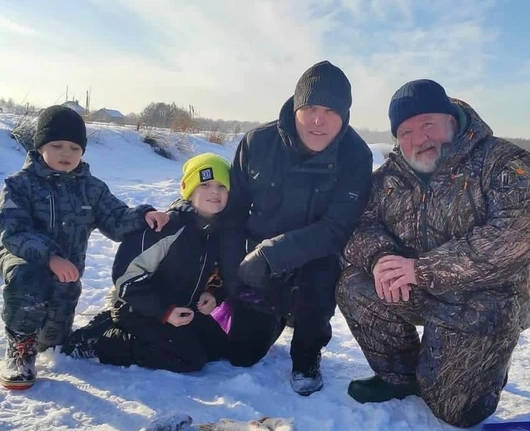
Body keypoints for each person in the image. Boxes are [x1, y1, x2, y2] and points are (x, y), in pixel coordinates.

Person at [336, 79, 530, 427]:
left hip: (483, 301)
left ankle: (478, 371)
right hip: (418, 290)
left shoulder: (504, 163)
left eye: (427, 124)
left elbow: (518, 238)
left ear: (451, 118)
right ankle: (399, 377)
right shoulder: (389, 176)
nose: (418, 139)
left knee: (457, 412)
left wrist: (420, 269)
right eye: (405, 132)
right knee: (354, 285)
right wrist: (381, 259)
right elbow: (360, 225)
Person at [221, 60, 373, 396]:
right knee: (241, 354)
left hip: (315, 256)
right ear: (296, 107)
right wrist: (235, 277)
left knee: (323, 271)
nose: (319, 120)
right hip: (258, 262)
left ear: (345, 116)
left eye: (331, 111)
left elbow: (337, 228)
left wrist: (272, 254)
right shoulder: (256, 143)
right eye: (311, 107)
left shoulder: (357, 155)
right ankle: (274, 312)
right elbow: (231, 216)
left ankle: (307, 351)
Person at [0, 105, 168, 390]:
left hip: (67, 278)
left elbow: (115, 218)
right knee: (27, 275)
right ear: (40, 146)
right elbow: (13, 232)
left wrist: (144, 215)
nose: (66, 154)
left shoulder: (92, 188)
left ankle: (49, 338)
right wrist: (51, 257)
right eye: (57, 146)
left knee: (53, 345)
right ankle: (20, 347)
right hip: (26, 262)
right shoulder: (19, 185)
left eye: (74, 148)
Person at [61, 153, 231, 374]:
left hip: (180, 307)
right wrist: (165, 312)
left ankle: (123, 327)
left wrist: (212, 293)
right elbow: (126, 277)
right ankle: (100, 340)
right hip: (138, 308)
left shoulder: (216, 233)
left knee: (217, 347)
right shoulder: (168, 227)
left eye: (221, 186)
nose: (214, 192)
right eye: (205, 184)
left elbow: (218, 273)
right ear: (188, 189)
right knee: (190, 359)